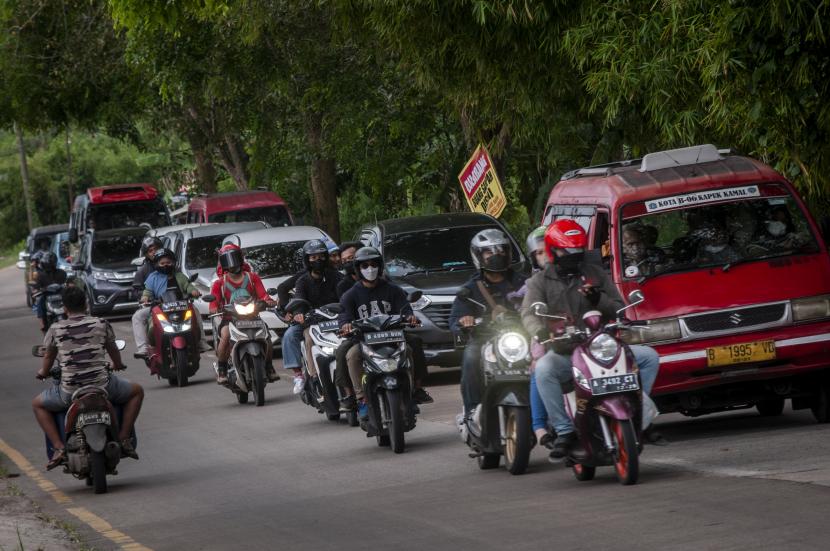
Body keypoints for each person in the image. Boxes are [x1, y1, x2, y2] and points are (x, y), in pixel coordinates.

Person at [521, 219, 660, 460]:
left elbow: (619, 308)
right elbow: (529, 314)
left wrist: (598, 300)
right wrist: (540, 332)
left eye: (578, 249)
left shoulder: (595, 273)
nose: (574, 255)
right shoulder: (539, 281)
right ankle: (564, 432)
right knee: (544, 370)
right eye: (568, 250)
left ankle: (638, 414)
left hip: (602, 347)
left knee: (649, 357)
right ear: (554, 250)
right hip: (566, 350)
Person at [32, 286, 144, 470]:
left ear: (65, 308)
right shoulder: (101, 323)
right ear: (86, 304)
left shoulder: (56, 328)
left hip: (69, 391)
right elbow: (113, 350)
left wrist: (43, 372)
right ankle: (124, 437)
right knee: (137, 391)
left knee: (37, 404)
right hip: (103, 387)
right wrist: (118, 364)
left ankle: (59, 448)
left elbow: (49, 357)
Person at [338, 247, 432, 420]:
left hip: (394, 338)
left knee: (413, 346)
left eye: (374, 264)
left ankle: (414, 390)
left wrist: (410, 317)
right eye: (365, 265)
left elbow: (405, 309)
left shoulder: (393, 290)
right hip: (364, 341)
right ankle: (358, 398)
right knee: (349, 354)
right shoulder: (349, 295)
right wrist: (345, 326)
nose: (370, 269)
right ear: (358, 269)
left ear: (380, 266)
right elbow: (344, 316)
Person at [449, 229, 525, 436]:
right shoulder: (470, 288)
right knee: (471, 356)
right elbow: (455, 320)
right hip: (484, 339)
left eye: (500, 250)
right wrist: (464, 322)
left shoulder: (522, 282)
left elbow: (537, 302)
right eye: (488, 252)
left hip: (520, 338)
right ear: (478, 256)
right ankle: (472, 410)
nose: (495, 255)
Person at [209, 244, 278, 385]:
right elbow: (213, 303)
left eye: (234, 257)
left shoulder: (252, 278)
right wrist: (214, 307)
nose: (232, 263)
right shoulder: (219, 283)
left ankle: (269, 367)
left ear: (241, 258)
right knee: (226, 335)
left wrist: (268, 301)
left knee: (267, 337)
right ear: (223, 263)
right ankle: (222, 368)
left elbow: (263, 295)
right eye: (227, 259)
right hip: (229, 319)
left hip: (253, 317)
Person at [282, 239, 342, 394]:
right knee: (294, 336)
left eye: (321, 256)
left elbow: (346, 296)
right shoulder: (302, 281)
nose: (318, 260)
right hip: (311, 323)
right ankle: (311, 376)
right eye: (313, 258)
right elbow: (298, 300)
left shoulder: (336, 276)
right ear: (307, 260)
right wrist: (298, 313)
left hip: (337, 320)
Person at [138, 248, 209, 355]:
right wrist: (145, 297)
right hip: (159, 308)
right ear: (157, 264)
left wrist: (194, 291)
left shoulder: (180, 276)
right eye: (162, 263)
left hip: (182, 306)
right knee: (145, 321)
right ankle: (146, 347)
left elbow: (188, 286)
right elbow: (148, 291)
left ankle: (201, 342)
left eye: (168, 262)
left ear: (174, 263)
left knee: (195, 312)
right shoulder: (152, 278)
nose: (166, 265)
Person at [131, 236, 162, 356]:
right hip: (154, 306)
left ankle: (200, 341)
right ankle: (143, 347)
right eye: (150, 250)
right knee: (137, 317)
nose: (154, 252)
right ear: (146, 254)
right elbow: (136, 290)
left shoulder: (173, 266)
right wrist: (145, 297)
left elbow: (184, 282)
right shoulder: (143, 271)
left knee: (193, 309)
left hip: (174, 303)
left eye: (156, 249)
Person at [31, 252, 67, 332]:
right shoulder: (40, 275)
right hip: (47, 296)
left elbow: (68, 283)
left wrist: (69, 286)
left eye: (50, 263)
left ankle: (77, 316)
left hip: (61, 295)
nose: (48, 265)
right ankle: (43, 324)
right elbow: (36, 288)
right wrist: (37, 291)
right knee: (40, 302)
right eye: (47, 263)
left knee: (72, 299)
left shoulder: (61, 272)